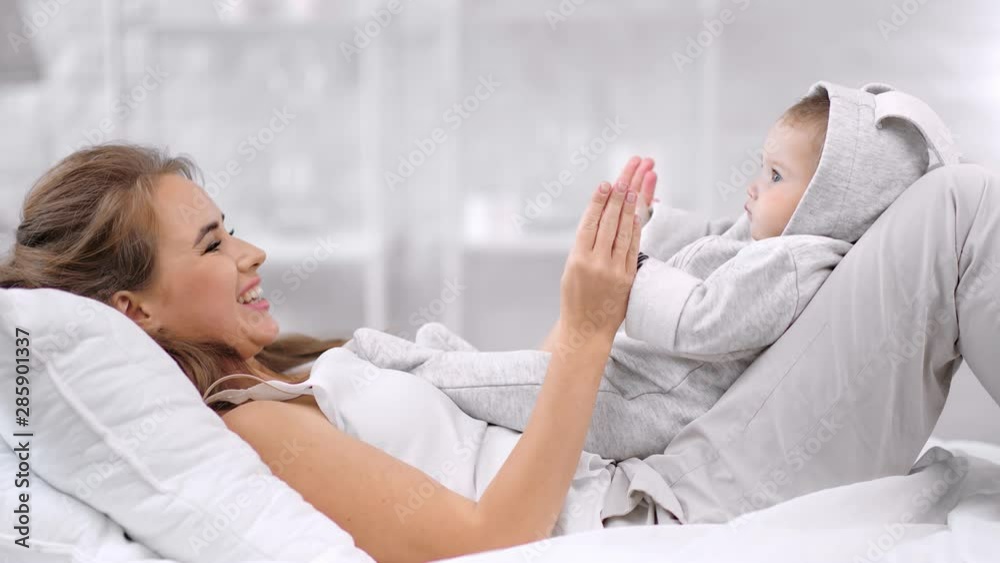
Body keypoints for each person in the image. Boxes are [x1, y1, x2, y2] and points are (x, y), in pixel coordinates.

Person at [0, 143, 648, 562]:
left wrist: (601, 290)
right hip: (618, 518)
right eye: (212, 245)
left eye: (231, 232)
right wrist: (586, 334)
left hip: (622, 479)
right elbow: (488, 542)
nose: (252, 254)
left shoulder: (284, 373)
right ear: (136, 311)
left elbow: (497, 437)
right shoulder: (255, 425)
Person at [411, 81, 950, 461]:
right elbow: (711, 241)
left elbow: (705, 317)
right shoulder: (772, 245)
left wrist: (629, 271)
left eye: (775, 175)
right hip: (639, 376)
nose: (754, 185)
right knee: (525, 377)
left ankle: (416, 370)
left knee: (531, 389)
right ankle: (447, 366)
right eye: (762, 167)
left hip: (649, 404)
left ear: (827, 204)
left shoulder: (794, 264)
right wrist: (647, 223)